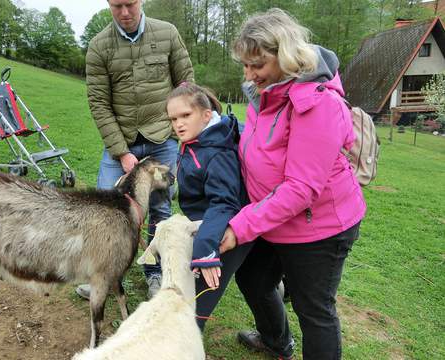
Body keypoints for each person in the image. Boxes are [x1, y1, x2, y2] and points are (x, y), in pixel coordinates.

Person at [220, 8, 366, 360]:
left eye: (257, 65)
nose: (249, 75)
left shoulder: (318, 104)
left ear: (284, 56)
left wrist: (240, 227)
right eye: (245, 64)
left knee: (313, 309)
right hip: (275, 219)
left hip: (320, 227)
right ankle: (275, 341)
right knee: (254, 279)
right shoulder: (264, 93)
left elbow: (301, 189)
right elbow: (260, 149)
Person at [78, 0, 194, 299]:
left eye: (130, 4)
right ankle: (103, 276)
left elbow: (185, 83)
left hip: (162, 139)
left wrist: (177, 128)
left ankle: (155, 274)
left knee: (160, 208)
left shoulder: (167, 33)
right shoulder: (98, 46)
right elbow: (99, 104)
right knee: (106, 209)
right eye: (117, 6)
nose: (125, 12)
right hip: (122, 142)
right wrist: (121, 152)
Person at [166, 83, 252, 331]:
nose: (178, 124)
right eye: (173, 118)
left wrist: (206, 248)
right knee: (257, 287)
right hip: (209, 225)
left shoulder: (216, 152)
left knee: (197, 302)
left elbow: (224, 202)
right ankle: (277, 340)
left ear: (206, 115)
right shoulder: (198, 139)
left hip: (226, 231)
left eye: (185, 115)